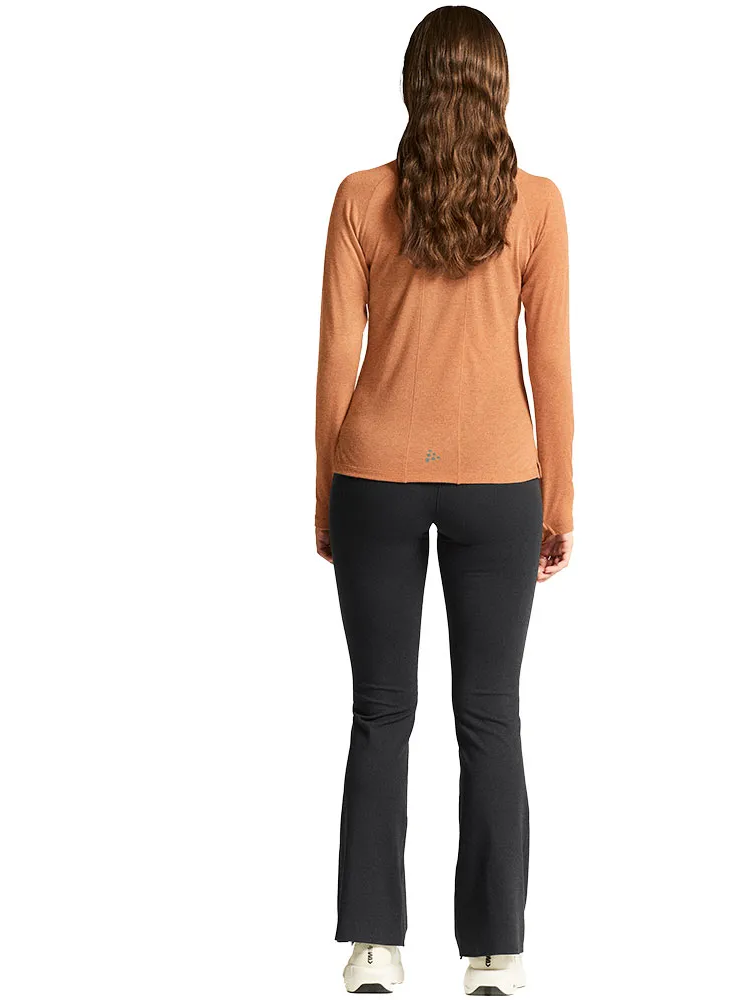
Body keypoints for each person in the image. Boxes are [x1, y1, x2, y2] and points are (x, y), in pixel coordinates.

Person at [314, 7, 574, 995]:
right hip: (501, 480)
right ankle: (494, 956)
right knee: (491, 716)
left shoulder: (359, 197)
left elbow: (335, 361)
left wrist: (325, 494)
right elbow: (551, 364)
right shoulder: (537, 204)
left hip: (374, 474)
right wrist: (560, 498)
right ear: (497, 86)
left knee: (380, 712)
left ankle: (372, 949)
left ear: (412, 85)